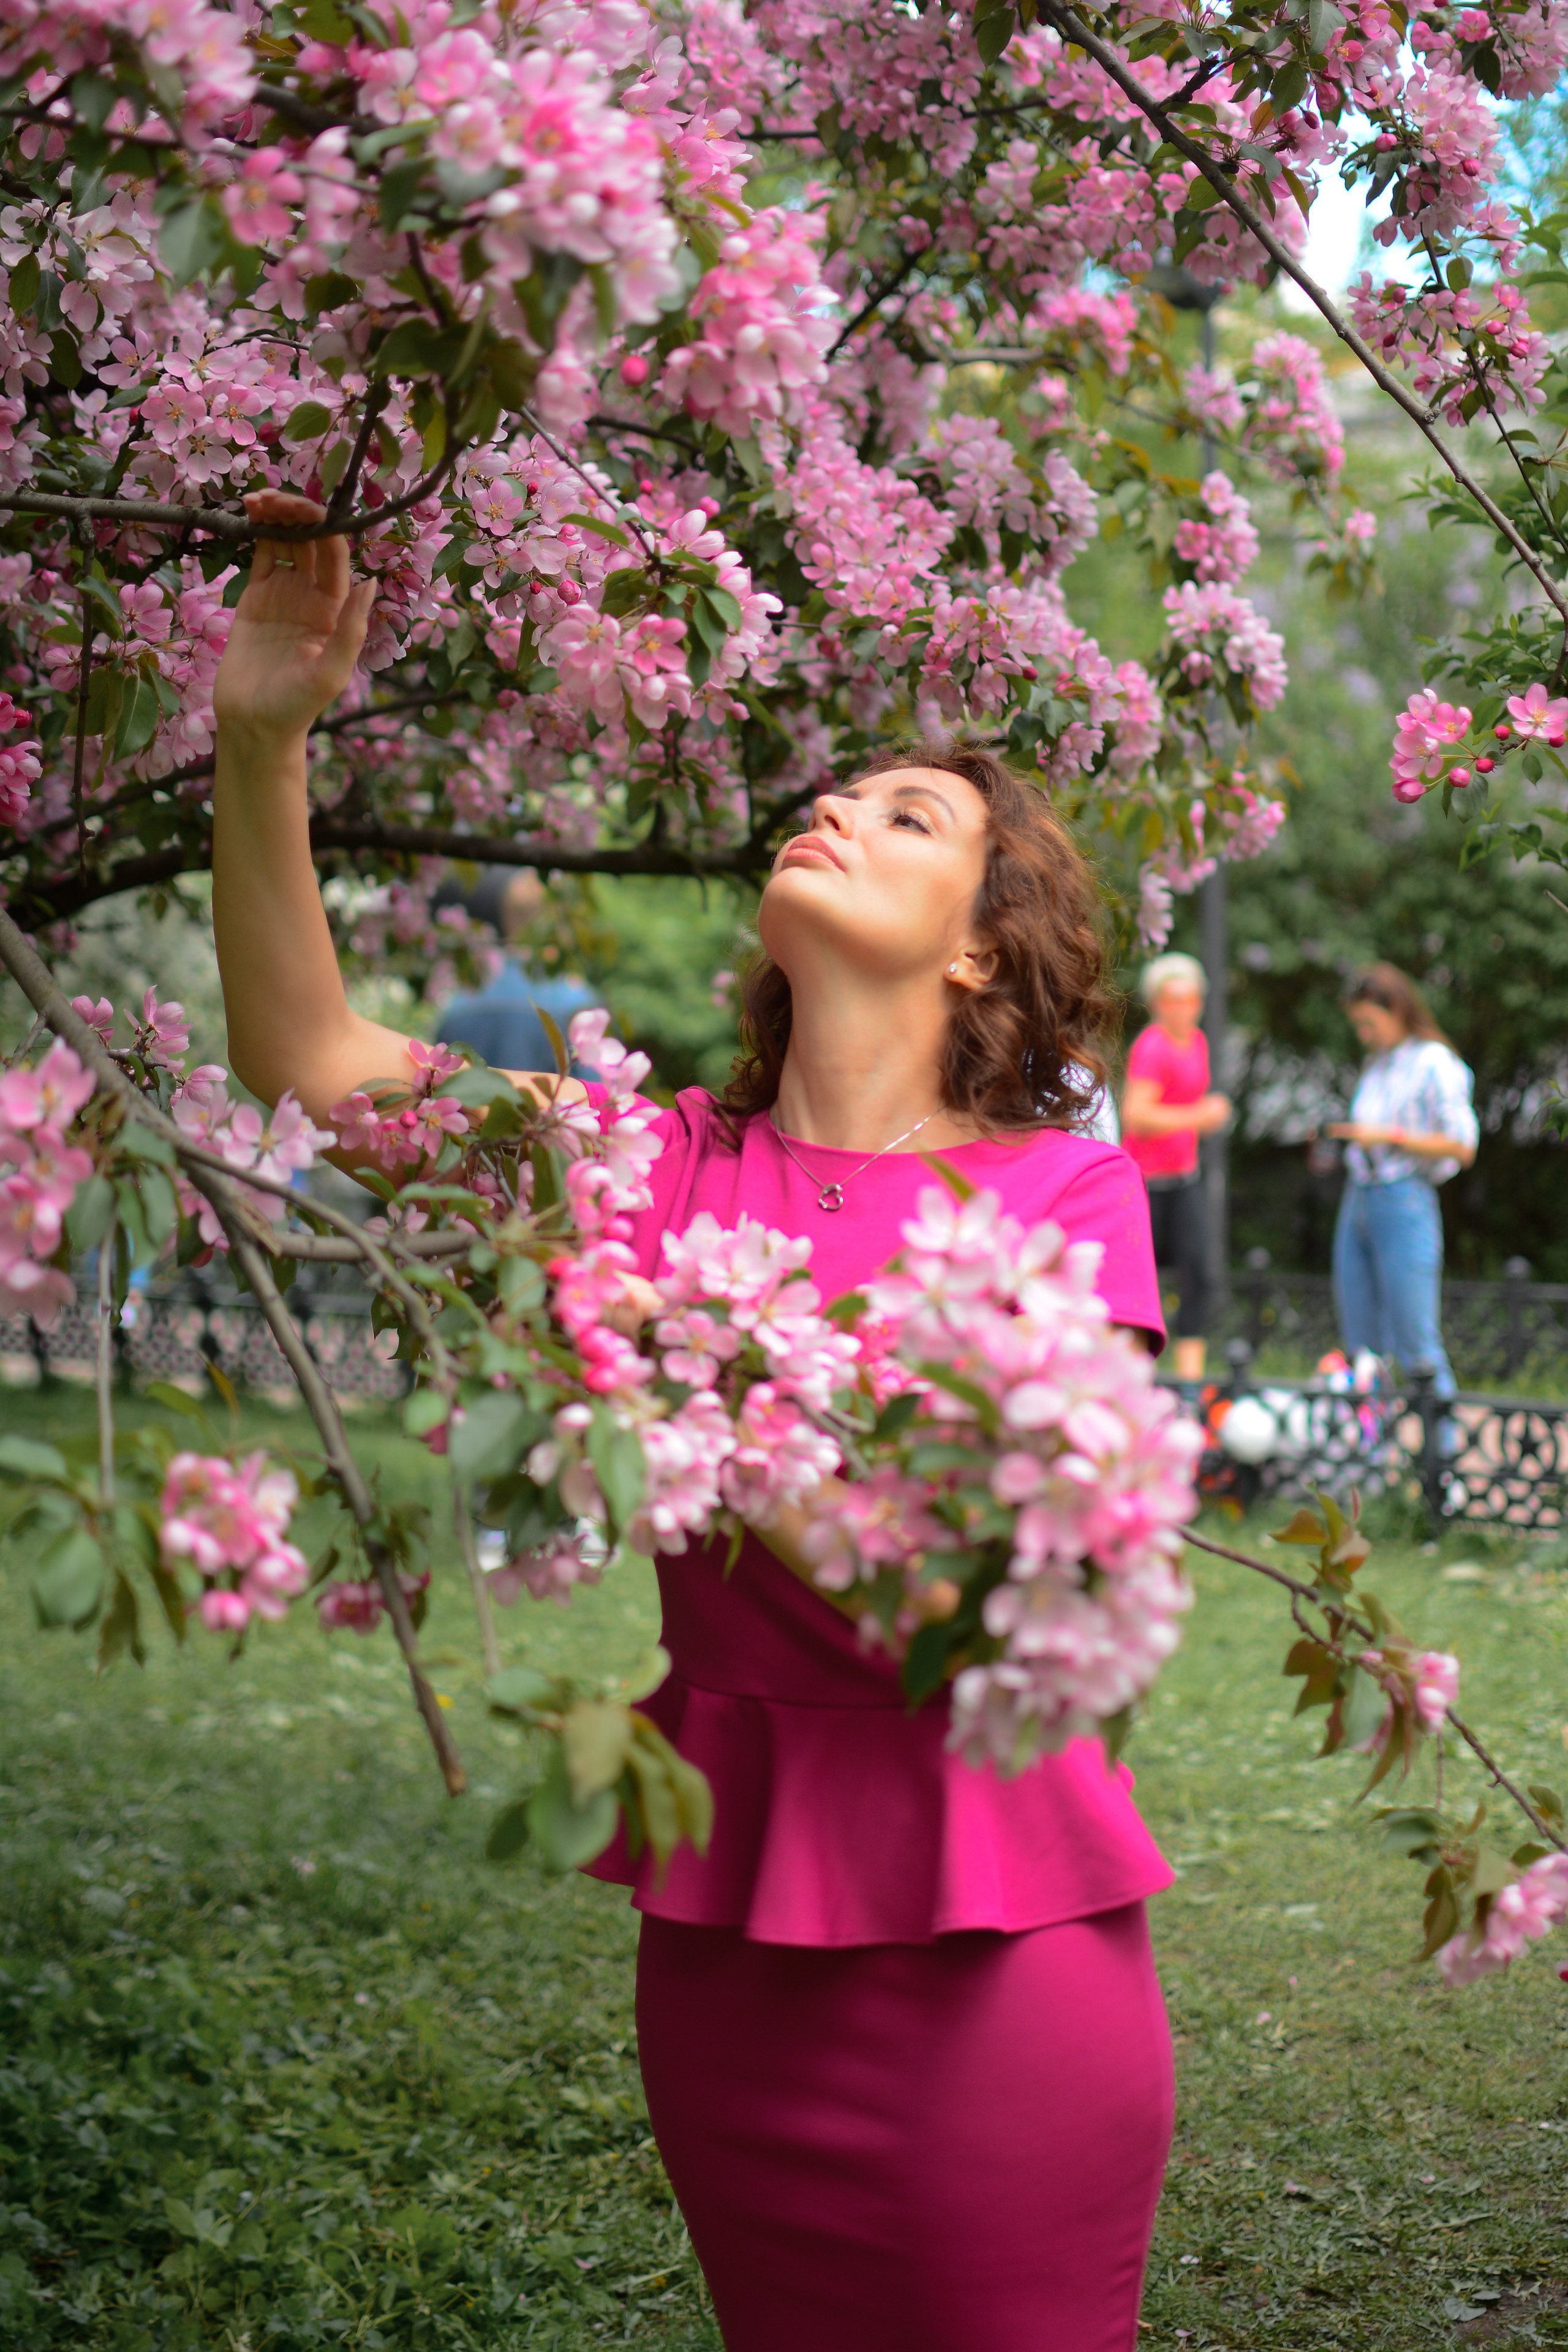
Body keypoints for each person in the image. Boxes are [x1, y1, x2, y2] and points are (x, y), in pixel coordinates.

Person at [209, 489, 1177, 2352]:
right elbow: (307, 1063)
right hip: (731, 1974)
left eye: (912, 816)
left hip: (1002, 1973)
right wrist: (262, 739)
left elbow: (975, 1603)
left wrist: (675, 1344)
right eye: (843, 789)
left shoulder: (1060, 1194)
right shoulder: (650, 1163)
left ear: (978, 948)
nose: (839, 806)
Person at [1325, 963, 1478, 1403]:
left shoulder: (1434, 1062)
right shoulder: (1377, 1064)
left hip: (1404, 1199)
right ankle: (1370, 1462)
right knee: (1361, 1344)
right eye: (1359, 1025)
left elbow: (1462, 1146)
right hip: (1359, 1197)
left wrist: (1390, 1136)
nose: (1364, 1034)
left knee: (1416, 1342)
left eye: (1370, 1023)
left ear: (1397, 1010)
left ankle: (1442, 1467)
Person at [1119, 952, 1232, 1389]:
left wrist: (1195, 1121)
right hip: (1147, 1183)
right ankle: (1135, 1377)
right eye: (1172, 1000)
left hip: (1185, 1177)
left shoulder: (1198, 1042)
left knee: (1198, 1274)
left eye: (1190, 1000)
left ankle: (1190, 1384)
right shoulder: (1152, 1047)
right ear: (1157, 1003)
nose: (1182, 1009)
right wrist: (1198, 1117)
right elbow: (1137, 1115)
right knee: (1140, 1276)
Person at [432, 866, 601, 1076]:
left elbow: (438, 1080)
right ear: (554, 920)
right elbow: (593, 1096)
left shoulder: (459, 1001)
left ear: (506, 915)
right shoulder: (576, 1004)